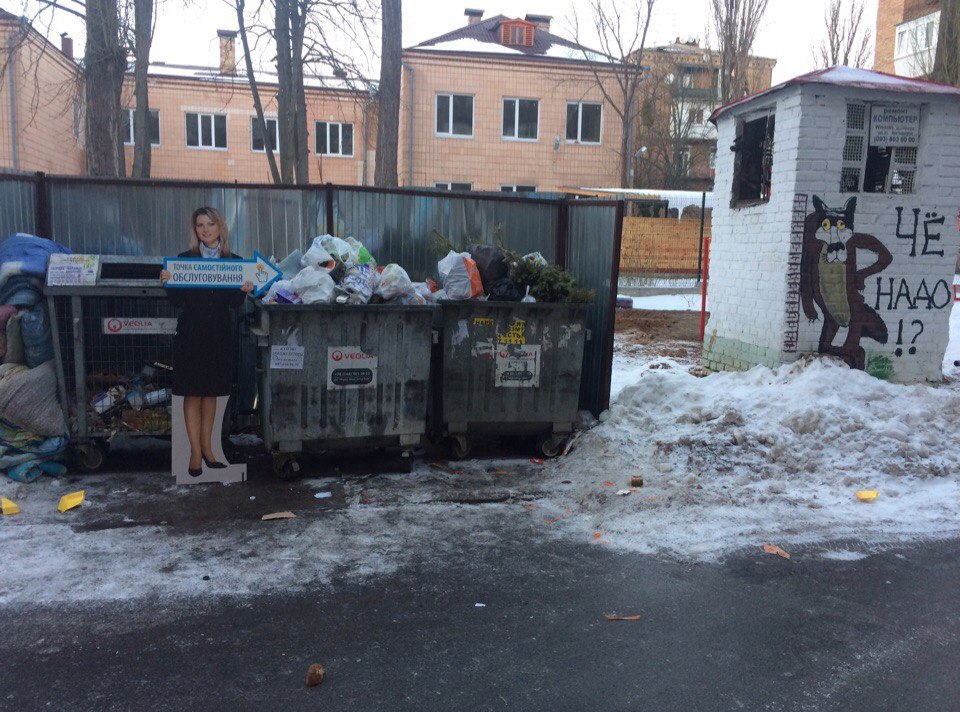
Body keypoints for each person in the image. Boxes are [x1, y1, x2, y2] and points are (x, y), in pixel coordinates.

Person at [160, 207, 253, 477]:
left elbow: (234, 303)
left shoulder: (234, 261)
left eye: (210, 224)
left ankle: (209, 450)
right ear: (195, 229)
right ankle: (195, 454)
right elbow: (177, 302)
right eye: (200, 225)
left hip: (219, 335)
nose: (205, 229)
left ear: (220, 227)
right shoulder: (183, 260)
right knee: (193, 392)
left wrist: (244, 290)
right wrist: (168, 282)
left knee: (211, 392)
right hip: (191, 334)